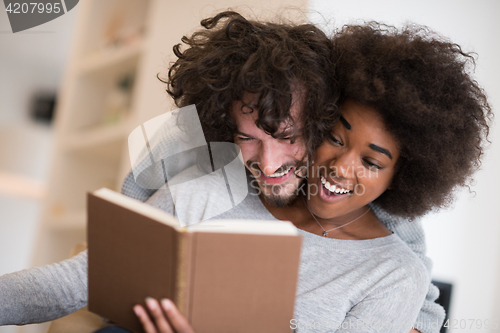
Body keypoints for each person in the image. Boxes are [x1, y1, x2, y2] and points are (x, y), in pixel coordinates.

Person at [0, 12, 443, 333]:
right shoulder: (201, 188)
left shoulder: (394, 262)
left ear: (319, 119)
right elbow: (80, 278)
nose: (267, 166)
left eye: (287, 137)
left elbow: (413, 284)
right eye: (246, 137)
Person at [130, 21, 491, 333]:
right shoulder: (205, 154)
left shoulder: (389, 228)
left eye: (372, 161)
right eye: (335, 138)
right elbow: (136, 199)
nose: (340, 166)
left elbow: (409, 273)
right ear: (320, 121)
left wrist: (413, 320)